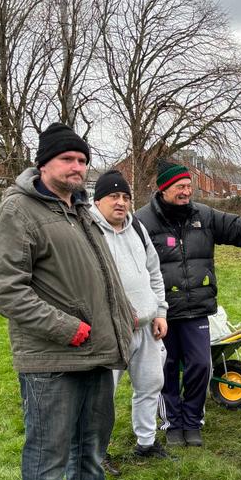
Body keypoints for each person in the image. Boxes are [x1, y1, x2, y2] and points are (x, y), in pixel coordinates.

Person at [0, 123, 135, 480]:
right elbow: (2, 289)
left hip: (93, 350)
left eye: (83, 160)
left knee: (92, 438)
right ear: (44, 162)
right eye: (68, 159)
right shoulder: (19, 212)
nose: (77, 167)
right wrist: (67, 328)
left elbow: (101, 276)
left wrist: (123, 316)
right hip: (52, 356)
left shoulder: (81, 209)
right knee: (47, 451)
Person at [136, 158, 241, 447]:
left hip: (198, 305)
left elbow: (240, 229)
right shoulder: (143, 222)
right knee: (167, 368)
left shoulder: (204, 215)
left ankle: (193, 419)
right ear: (163, 189)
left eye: (189, 186)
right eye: (180, 187)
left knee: (201, 364)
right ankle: (172, 422)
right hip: (162, 310)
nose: (186, 192)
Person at [90, 170, 169, 462]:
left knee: (150, 384)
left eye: (125, 197)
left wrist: (160, 311)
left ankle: (146, 444)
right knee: (101, 395)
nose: (121, 203)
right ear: (98, 200)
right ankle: (97, 452)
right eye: (114, 196)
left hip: (146, 326)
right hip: (109, 329)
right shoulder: (87, 229)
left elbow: (153, 271)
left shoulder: (136, 226)